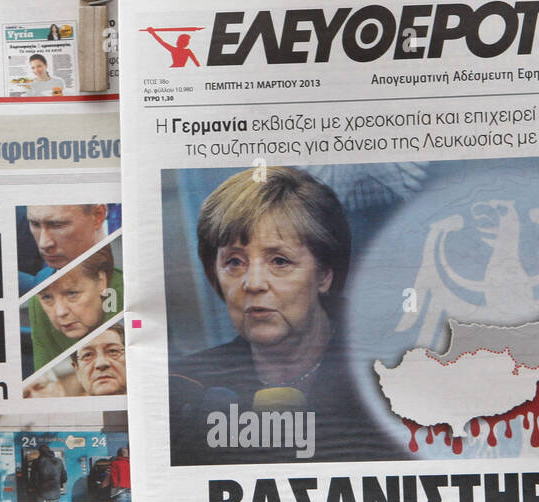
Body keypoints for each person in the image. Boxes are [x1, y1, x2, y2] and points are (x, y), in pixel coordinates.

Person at [168, 166, 396, 464]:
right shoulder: (187, 387)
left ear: (324, 274)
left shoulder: (389, 376)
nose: (253, 283)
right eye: (234, 262)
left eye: (279, 261)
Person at [28, 244, 122, 373]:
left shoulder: (127, 295)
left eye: (72, 294)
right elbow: (43, 377)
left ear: (101, 282)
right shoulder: (37, 302)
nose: (60, 312)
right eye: (48, 298)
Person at [20, 204, 110, 294]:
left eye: (57, 225)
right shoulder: (43, 277)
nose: (43, 244)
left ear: (98, 216)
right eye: (35, 224)